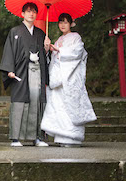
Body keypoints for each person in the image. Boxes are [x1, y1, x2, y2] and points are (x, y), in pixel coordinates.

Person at [40, 13, 97, 146]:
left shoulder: (75, 37)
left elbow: (77, 53)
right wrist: (48, 49)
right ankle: (61, 137)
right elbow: (53, 60)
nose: (62, 25)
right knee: (59, 108)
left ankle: (73, 137)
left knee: (70, 107)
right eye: (60, 22)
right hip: (58, 78)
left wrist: (59, 50)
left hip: (70, 78)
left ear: (71, 24)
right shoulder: (59, 39)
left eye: (65, 22)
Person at [0, 2, 51, 147]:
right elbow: (9, 51)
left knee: (37, 102)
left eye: (34, 11)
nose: (31, 14)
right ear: (22, 14)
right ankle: (16, 138)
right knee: (20, 102)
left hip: (37, 73)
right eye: (28, 11)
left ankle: (38, 137)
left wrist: (46, 49)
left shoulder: (41, 33)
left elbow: (45, 56)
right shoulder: (15, 32)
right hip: (21, 72)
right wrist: (9, 69)